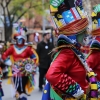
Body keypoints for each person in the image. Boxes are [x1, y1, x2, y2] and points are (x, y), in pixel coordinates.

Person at [42, 0, 98, 100]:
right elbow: (52, 74)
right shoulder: (67, 52)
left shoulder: (74, 51)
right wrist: (76, 90)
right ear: (74, 35)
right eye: (82, 32)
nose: (85, 36)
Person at [2, 26, 39, 100]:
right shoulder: (12, 48)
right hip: (15, 71)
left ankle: (22, 96)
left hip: (25, 71)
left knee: (23, 87)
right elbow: (4, 55)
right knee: (17, 87)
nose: (19, 40)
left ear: (24, 39)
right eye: (18, 39)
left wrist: (30, 64)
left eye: (21, 39)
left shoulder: (28, 48)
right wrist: (10, 63)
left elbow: (34, 57)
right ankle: (19, 96)